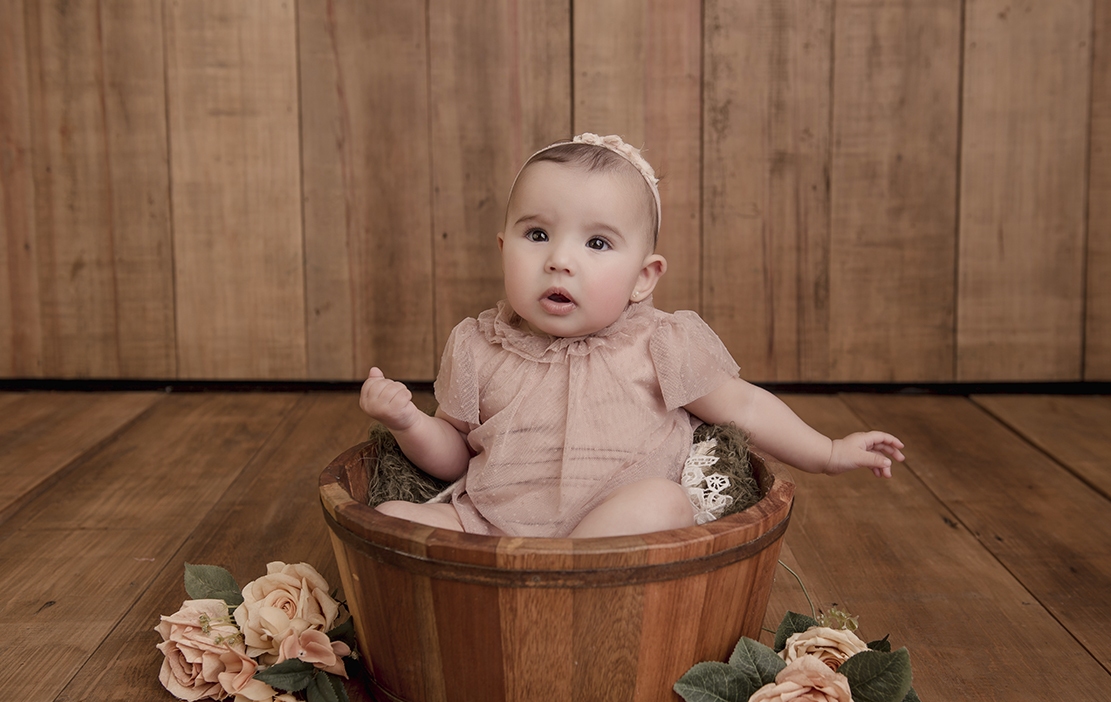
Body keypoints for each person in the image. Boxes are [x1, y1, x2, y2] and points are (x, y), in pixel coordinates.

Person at [360, 133, 904, 538]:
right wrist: (406, 421)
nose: (560, 261)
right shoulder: (478, 345)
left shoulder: (660, 343)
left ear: (643, 278)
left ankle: (560, 584)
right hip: (490, 528)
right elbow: (454, 457)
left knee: (663, 504)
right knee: (390, 520)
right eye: (538, 234)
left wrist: (829, 452)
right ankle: (521, 592)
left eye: (597, 243)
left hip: (611, 536)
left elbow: (746, 407)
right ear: (504, 249)